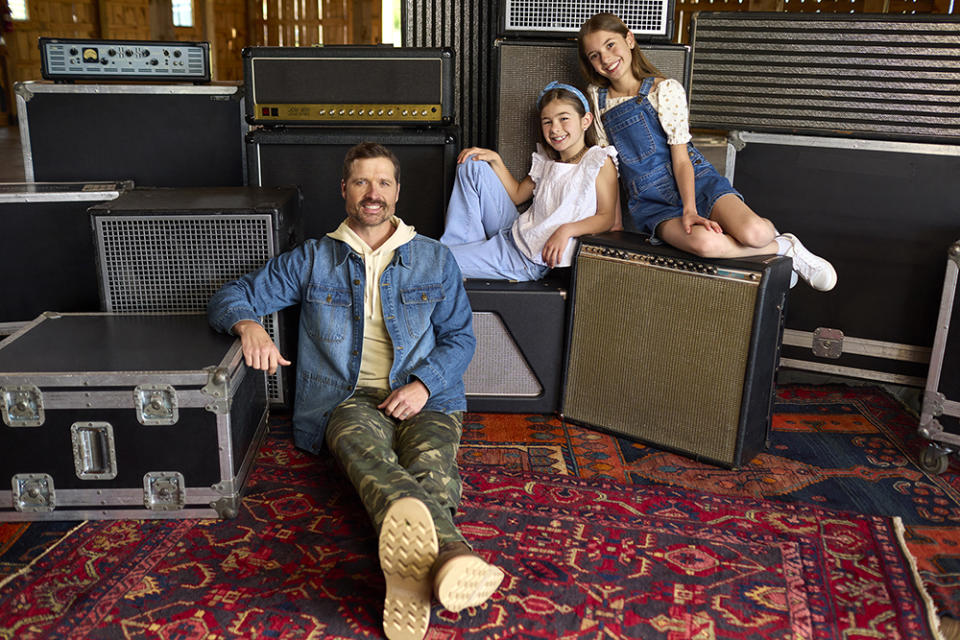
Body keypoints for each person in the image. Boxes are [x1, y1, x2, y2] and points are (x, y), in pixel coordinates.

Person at [207, 142, 504, 640]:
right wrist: (247, 326)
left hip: (426, 393)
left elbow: (461, 339)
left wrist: (424, 385)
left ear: (397, 191)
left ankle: (416, 571)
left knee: (431, 464)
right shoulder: (314, 258)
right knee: (366, 456)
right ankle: (452, 555)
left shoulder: (434, 258)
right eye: (362, 182)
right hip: (345, 399)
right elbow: (230, 296)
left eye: (383, 182)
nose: (373, 193)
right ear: (344, 190)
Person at [576, 13, 837, 291]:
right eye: (594, 55)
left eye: (610, 45)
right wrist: (614, 221)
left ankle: (775, 242)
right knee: (706, 245)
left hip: (696, 180)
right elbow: (609, 165)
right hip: (651, 203)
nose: (605, 59)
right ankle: (782, 248)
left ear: (629, 39)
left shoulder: (665, 89)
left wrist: (690, 209)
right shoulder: (596, 97)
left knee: (756, 233)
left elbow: (681, 158)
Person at [439, 81, 619, 281]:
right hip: (513, 231)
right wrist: (495, 159)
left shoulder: (598, 161)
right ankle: (462, 250)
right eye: (547, 122)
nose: (555, 129)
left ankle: (457, 259)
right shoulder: (547, 160)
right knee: (472, 163)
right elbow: (516, 195)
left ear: (585, 121)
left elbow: (606, 217)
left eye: (564, 119)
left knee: (436, 262)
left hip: (526, 259)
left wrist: (566, 230)